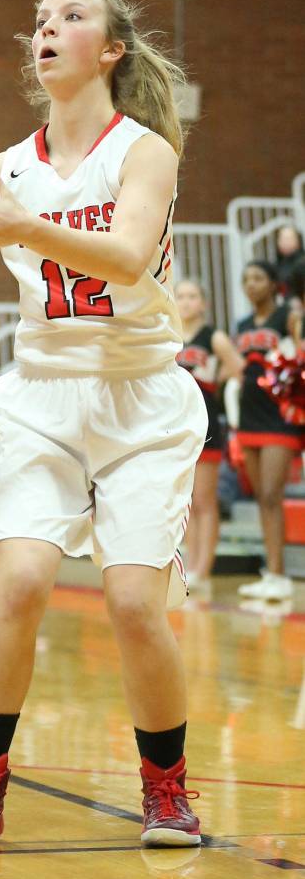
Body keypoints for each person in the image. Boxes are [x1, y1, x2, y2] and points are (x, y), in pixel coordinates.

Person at [0, 0, 208, 849]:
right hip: (43, 398)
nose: (47, 29)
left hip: (141, 396)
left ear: (109, 50)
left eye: (71, 16)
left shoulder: (144, 151)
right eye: (39, 19)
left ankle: (166, 788)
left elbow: (133, 257)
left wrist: (21, 227)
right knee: (20, 579)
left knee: (135, 604)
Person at [234, 261, 303, 600]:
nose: (251, 285)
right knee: (262, 498)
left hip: (279, 416)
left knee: (273, 495)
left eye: (259, 278)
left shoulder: (287, 318)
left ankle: (280, 573)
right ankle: (271, 572)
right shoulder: (242, 325)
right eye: (246, 279)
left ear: (274, 284)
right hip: (248, 418)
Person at [175, 278, 244, 592]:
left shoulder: (213, 337)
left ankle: (203, 567)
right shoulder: (169, 337)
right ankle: (189, 565)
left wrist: (216, 381)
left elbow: (238, 368)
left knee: (204, 500)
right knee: (185, 501)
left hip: (206, 426)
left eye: (193, 296)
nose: (187, 302)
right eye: (181, 296)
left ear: (203, 303)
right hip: (175, 428)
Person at [274, 223, 304, 302]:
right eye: (282, 238)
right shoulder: (275, 265)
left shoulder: (302, 263)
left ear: (298, 241)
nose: (285, 242)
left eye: (289, 238)